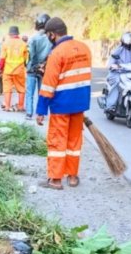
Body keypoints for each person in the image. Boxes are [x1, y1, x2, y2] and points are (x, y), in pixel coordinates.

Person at [36, 17, 92, 190]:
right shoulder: (84, 48)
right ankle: (72, 176)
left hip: (61, 105)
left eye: (48, 35)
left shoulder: (57, 53)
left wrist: (41, 110)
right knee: (74, 141)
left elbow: (48, 84)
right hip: (80, 104)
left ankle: (55, 179)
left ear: (52, 34)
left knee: (57, 141)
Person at [102, 32, 131, 113]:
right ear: (124, 40)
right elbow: (111, 60)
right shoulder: (118, 50)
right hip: (117, 72)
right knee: (116, 83)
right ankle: (110, 105)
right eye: (129, 40)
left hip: (129, 73)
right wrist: (114, 65)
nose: (130, 42)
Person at [25, 13, 52, 121]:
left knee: (29, 92)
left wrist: (29, 66)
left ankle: (29, 113)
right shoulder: (50, 39)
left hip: (32, 68)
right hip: (44, 68)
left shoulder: (33, 38)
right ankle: (41, 113)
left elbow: (30, 55)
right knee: (42, 92)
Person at [1, 26, 29, 112]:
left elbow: (2, 58)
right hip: (19, 69)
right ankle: (20, 106)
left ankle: (7, 106)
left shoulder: (5, 43)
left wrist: (1, 68)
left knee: (7, 88)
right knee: (21, 88)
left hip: (8, 69)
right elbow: (26, 59)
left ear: (10, 34)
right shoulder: (23, 44)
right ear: (18, 34)